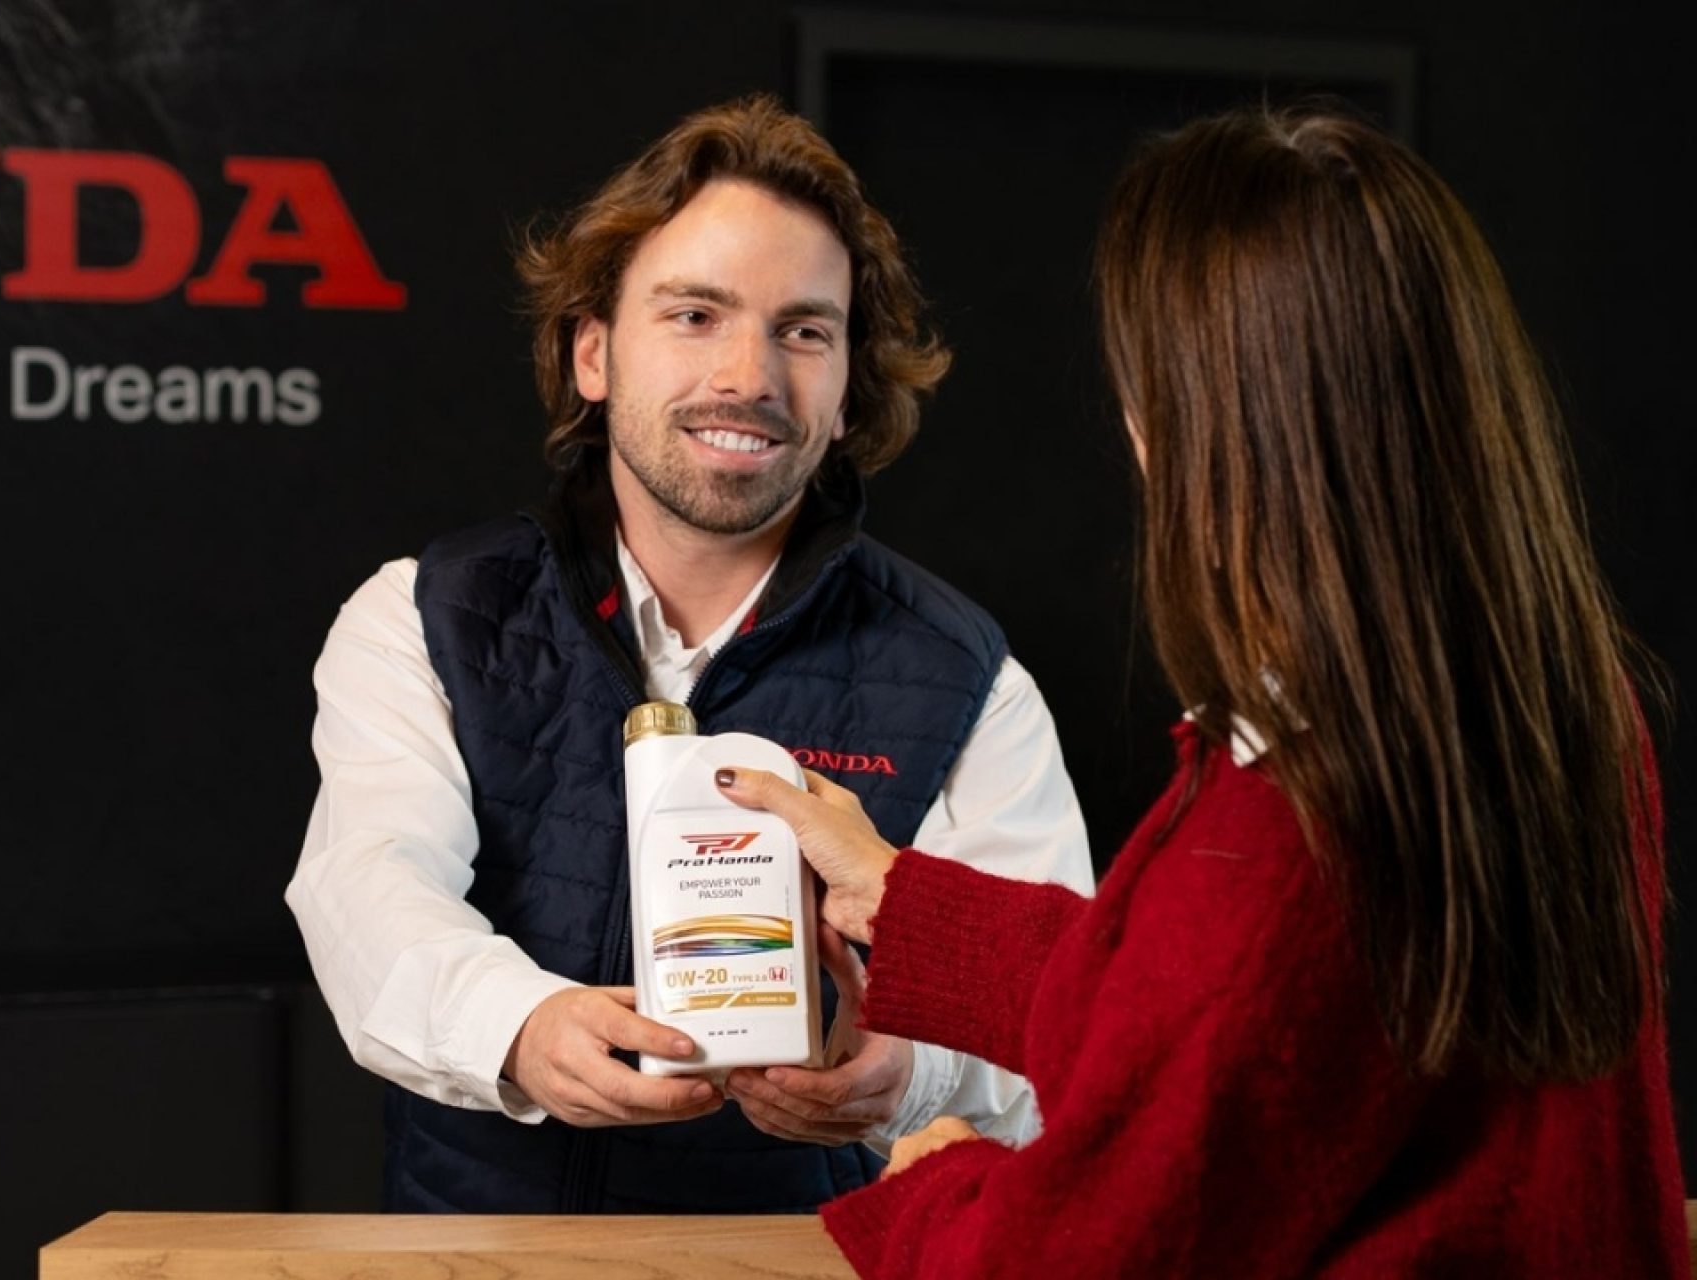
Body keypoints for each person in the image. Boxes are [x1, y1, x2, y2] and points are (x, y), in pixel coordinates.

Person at [718, 104, 1685, 1277]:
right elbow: (1209, 1018)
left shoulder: (1296, 815)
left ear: (1203, 424)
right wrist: (901, 898)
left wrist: (934, 1185)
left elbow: (1076, 1248)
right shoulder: (1549, 704)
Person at [284, 94, 1093, 1214]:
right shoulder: (425, 617)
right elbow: (365, 892)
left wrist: (914, 1073)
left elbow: (1068, 1017)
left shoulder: (967, 679)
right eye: (696, 314)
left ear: (849, 384)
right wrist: (519, 1026)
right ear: (594, 352)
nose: (750, 376)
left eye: (803, 329)